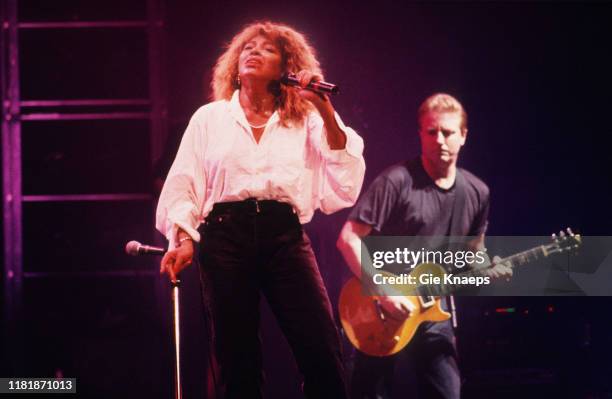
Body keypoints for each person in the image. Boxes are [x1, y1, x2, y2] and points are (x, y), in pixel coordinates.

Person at [156, 21, 365, 399]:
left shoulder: (305, 118)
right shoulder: (210, 118)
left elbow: (344, 174)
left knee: (321, 347)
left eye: (266, 49)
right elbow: (184, 183)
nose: (253, 51)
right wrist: (183, 238)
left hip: (282, 234)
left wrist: (323, 104)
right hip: (224, 234)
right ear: (235, 65)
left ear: (287, 67)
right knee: (237, 360)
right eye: (247, 47)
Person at [336, 93, 511, 398]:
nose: (440, 140)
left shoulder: (477, 191)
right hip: (379, 307)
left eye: (448, 132)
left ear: (464, 136)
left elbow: (474, 255)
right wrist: (384, 291)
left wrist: (490, 270)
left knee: (446, 393)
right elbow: (348, 239)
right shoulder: (396, 181)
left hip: (432, 309)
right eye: (432, 132)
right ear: (420, 134)